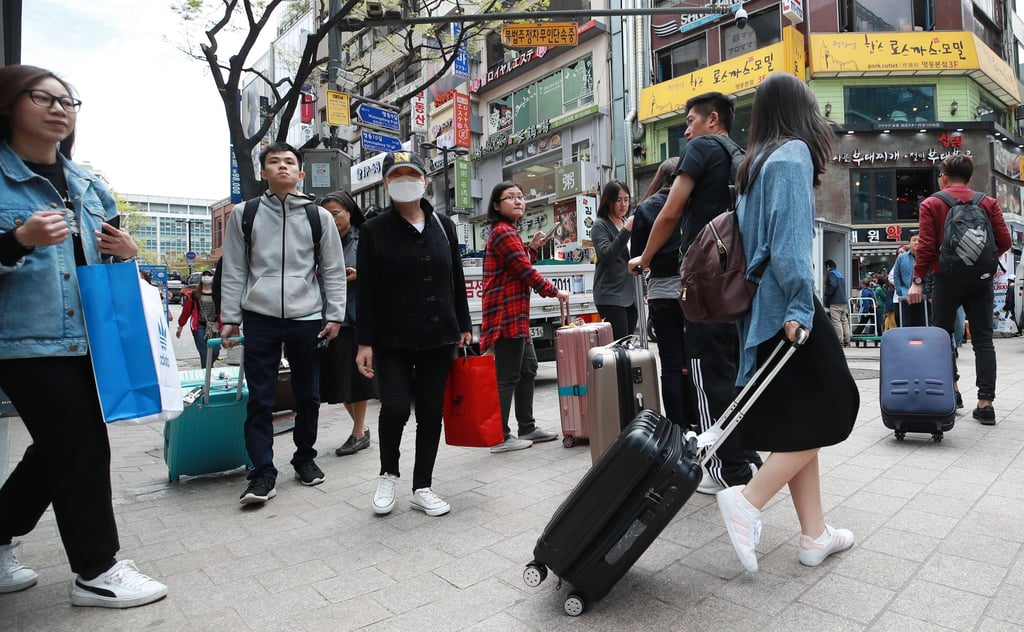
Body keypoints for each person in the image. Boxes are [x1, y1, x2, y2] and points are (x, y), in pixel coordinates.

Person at [0, 64, 167, 607]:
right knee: (81, 444)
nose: (58, 109)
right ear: (8, 104)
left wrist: (129, 253)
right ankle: (97, 570)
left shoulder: (86, 184)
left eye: (67, 101)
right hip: (26, 339)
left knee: (56, 448)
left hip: (90, 337)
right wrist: (17, 239)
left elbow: (110, 248)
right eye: (42, 97)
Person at [716, 72, 859, 573]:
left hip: (761, 312)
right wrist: (800, 309)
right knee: (834, 405)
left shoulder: (753, 166)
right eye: (814, 107)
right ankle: (747, 501)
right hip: (790, 309)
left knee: (804, 420)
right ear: (800, 111)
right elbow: (791, 248)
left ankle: (814, 534)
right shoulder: (794, 154)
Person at [626, 92, 762, 495]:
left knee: (704, 373)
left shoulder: (703, 147)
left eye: (690, 120)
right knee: (733, 368)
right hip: (736, 280)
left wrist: (644, 257)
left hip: (705, 281)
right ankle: (743, 452)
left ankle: (723, 468)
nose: (686, 130)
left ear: (712, 119)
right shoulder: (741, 155)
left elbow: (671, 210)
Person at [220, 141, 347, 504]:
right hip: (259, 317)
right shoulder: (244, 214)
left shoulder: (317, 216)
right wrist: (230, 316)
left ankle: (305, 459)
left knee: (308, 394)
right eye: (273, 162)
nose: (282, 167)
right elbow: (235, 269)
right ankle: (262, 472)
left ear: (300, 173)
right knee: (260, 398)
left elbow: (334, 270)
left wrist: (334, 314)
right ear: (263, 172)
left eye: (289, 162)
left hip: (306, 317)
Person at [356, 151, 472, 517]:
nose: (405, 179)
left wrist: (464, 325)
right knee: (393, 408)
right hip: (392, 339)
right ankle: (388, 474)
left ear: (425, 180)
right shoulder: (373, 230)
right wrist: (364, 342)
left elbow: (456, 277)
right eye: (397, 175)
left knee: (430, 411)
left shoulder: (443, 225)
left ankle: (423, 485)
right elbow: (368, 292)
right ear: (386, 184)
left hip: (439, 335)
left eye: (412, 173)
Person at [908, 153, 1011, 425]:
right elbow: (1005, 240)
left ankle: (952, 393)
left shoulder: (931, 203)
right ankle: (985, 403)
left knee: (943, 339)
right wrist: (981, 260)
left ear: (942, 176)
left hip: (945, 279)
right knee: (983, 341)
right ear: (970, 177)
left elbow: (927, 247)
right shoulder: (987, 202)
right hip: (981, 281)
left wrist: (918, 280)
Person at [481, 182, 567, 453]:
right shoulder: (503, 232)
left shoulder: (509, 233)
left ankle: (527, 426)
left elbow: (518, 263)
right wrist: (554, 292)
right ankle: (499, 436)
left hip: (517, 315)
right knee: (507, 376)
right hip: (506, 315)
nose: (518, 201)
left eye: (520, 196)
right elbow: (524, 271)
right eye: (510, 198)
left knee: (528, 368)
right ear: (497, 205)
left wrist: (531, 248)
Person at [629, 157, 693, 429]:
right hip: (694, 293)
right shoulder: (695, 202)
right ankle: (698, 419)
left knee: (670, 364)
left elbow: (639, 259)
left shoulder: (646, 208)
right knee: (694, 360)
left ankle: (677, 425)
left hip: (661, 294)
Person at [317, 190, 379, 457]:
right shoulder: (320, 241)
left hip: (357, 317)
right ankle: (361, 429)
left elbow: (385, 271)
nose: (331, 219)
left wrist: (361, 275)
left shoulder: (365, 237)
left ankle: (358, 431)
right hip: (329, 317)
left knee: (356, 379)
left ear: (349, 213)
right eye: (326, 215)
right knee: (336, 379)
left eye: (335, 214)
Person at [592, 180, 636, 338]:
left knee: (628, 343)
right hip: (610, 295)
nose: (623, 204)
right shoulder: (600, 226)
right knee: (620, 344)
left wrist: (643, 290)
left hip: (631, 295)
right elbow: (607, 255)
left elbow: (635, 259)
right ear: (608, 201)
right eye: (618, 200)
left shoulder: (627, 222)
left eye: (626, 199)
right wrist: (626, 231)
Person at [176, 269, 221, 368]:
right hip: (199, 326)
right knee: (204, 353)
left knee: (215, 352)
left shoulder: (219, 294)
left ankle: (208, 369)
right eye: (204, 275)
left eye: (209, 275)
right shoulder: (193, 294)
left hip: (215, 326)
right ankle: (206, 376)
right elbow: (186, 312)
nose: (206, 277)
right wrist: (180, 326)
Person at [892, 230, 927, 326]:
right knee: (906, 324)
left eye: (919, 240)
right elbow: (896, 275)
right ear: (909, 243)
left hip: (923, 297)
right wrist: (900, 291)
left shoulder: (927, 257)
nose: (916, 242)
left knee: (923, 323)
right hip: (905, 296)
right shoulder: (901, 258)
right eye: (914, 240)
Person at [823, 259, 851, 345]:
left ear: (828, 266)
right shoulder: (840, 275)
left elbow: (833, 285)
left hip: (835, 301)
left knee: (836, 321)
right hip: (843, 301)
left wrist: (827, 293)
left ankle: (839, 341)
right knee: (844, 321)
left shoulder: (831, 273)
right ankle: (847, 340)